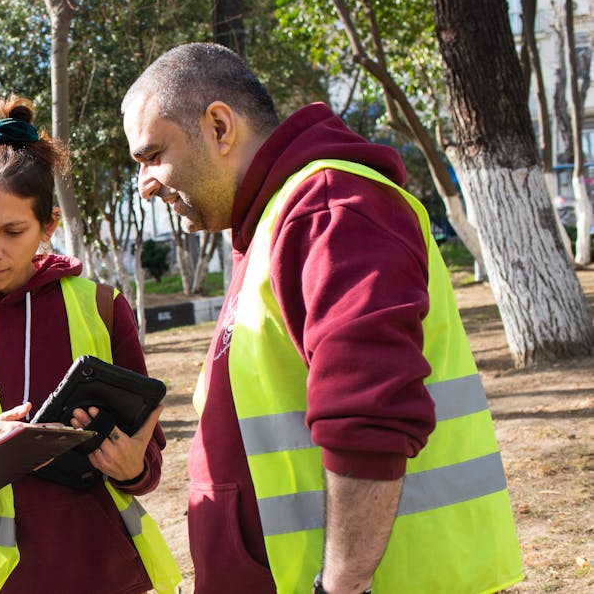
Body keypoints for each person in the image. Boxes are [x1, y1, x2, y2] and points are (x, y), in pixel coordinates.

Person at [120, 43, 523, 594]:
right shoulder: (274, 221)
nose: (145, 184)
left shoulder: (330, 210)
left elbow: (368, 417)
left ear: (218, 126)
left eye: (151, 155)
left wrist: (341, 585)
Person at [0, 96, 181, 594]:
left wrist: (134, 466)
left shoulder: (102, 307)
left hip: (101, 574)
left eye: (13, 231)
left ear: (48, 226)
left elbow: (148, 456)